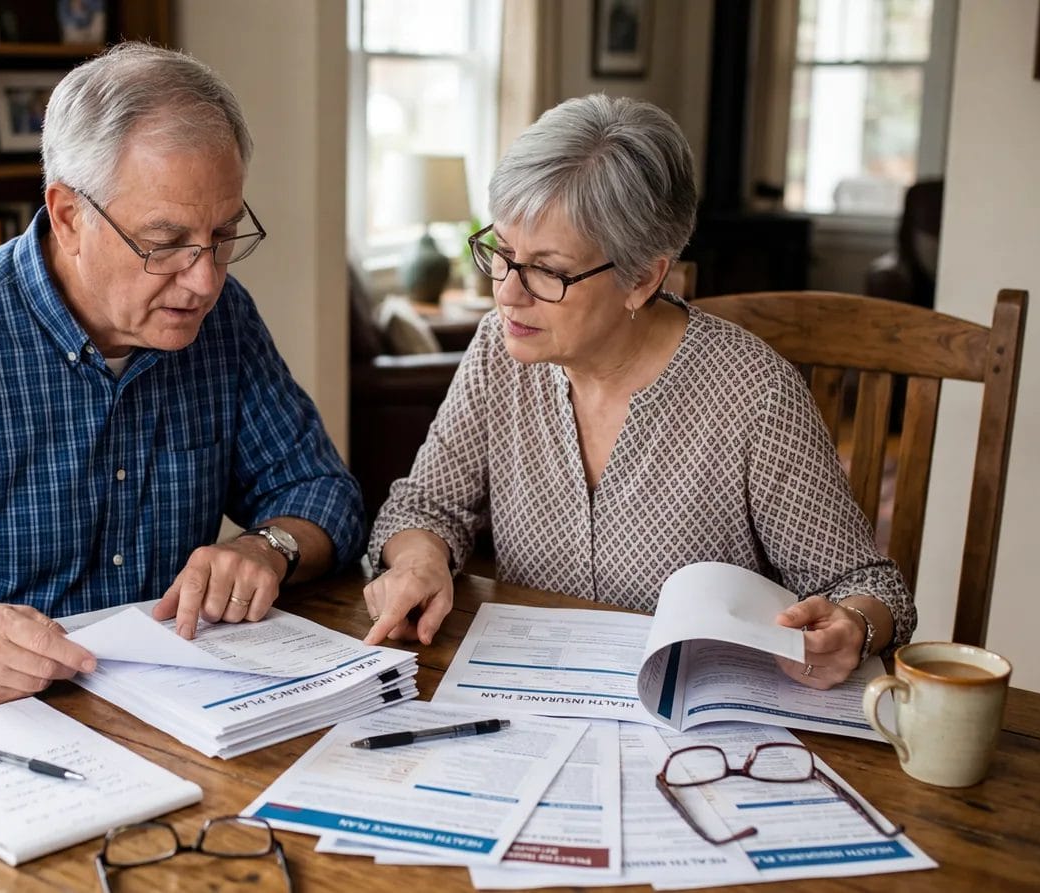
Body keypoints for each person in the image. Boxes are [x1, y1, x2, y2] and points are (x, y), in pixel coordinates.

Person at [0, 43, 363, 704]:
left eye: (222, 235)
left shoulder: (223, 323)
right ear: (70, 216)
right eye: (165, 243)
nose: (205, 280)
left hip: (163, 710)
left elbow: (321, 488)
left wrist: (267, 546)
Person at [362, 95, 913, 690]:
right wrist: (420, 561)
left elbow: (870, 585)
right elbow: (426, 506)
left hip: (695, 724)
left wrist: (853, 625)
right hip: (529, 695)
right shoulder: (500, 349)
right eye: (501, 252)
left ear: (644, 278)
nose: (507, 294)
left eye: (548, 269)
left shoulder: (752, 392)